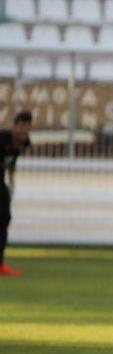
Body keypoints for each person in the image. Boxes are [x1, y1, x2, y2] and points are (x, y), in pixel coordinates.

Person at [0, 111, 32, 277]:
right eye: (21, 127)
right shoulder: (2, 139)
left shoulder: (24, 143)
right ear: (15, 126)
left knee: (4, 218)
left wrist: (11, 181)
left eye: (27, 128)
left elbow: (13, 161)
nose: (23, 131)